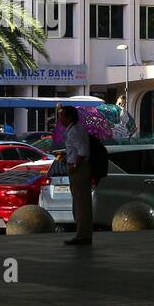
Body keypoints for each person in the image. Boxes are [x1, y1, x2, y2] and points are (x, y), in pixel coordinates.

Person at [59, 105, 93, 245]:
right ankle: (82, 233)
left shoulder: (75, 131)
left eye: (61, 115)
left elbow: (83, 151)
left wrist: (75, 166)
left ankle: (83, 235)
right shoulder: (73, 130)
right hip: (77, 167)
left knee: (81, 203)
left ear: (69, 117)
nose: (59, 118)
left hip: (79, 169)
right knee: (79, 202)